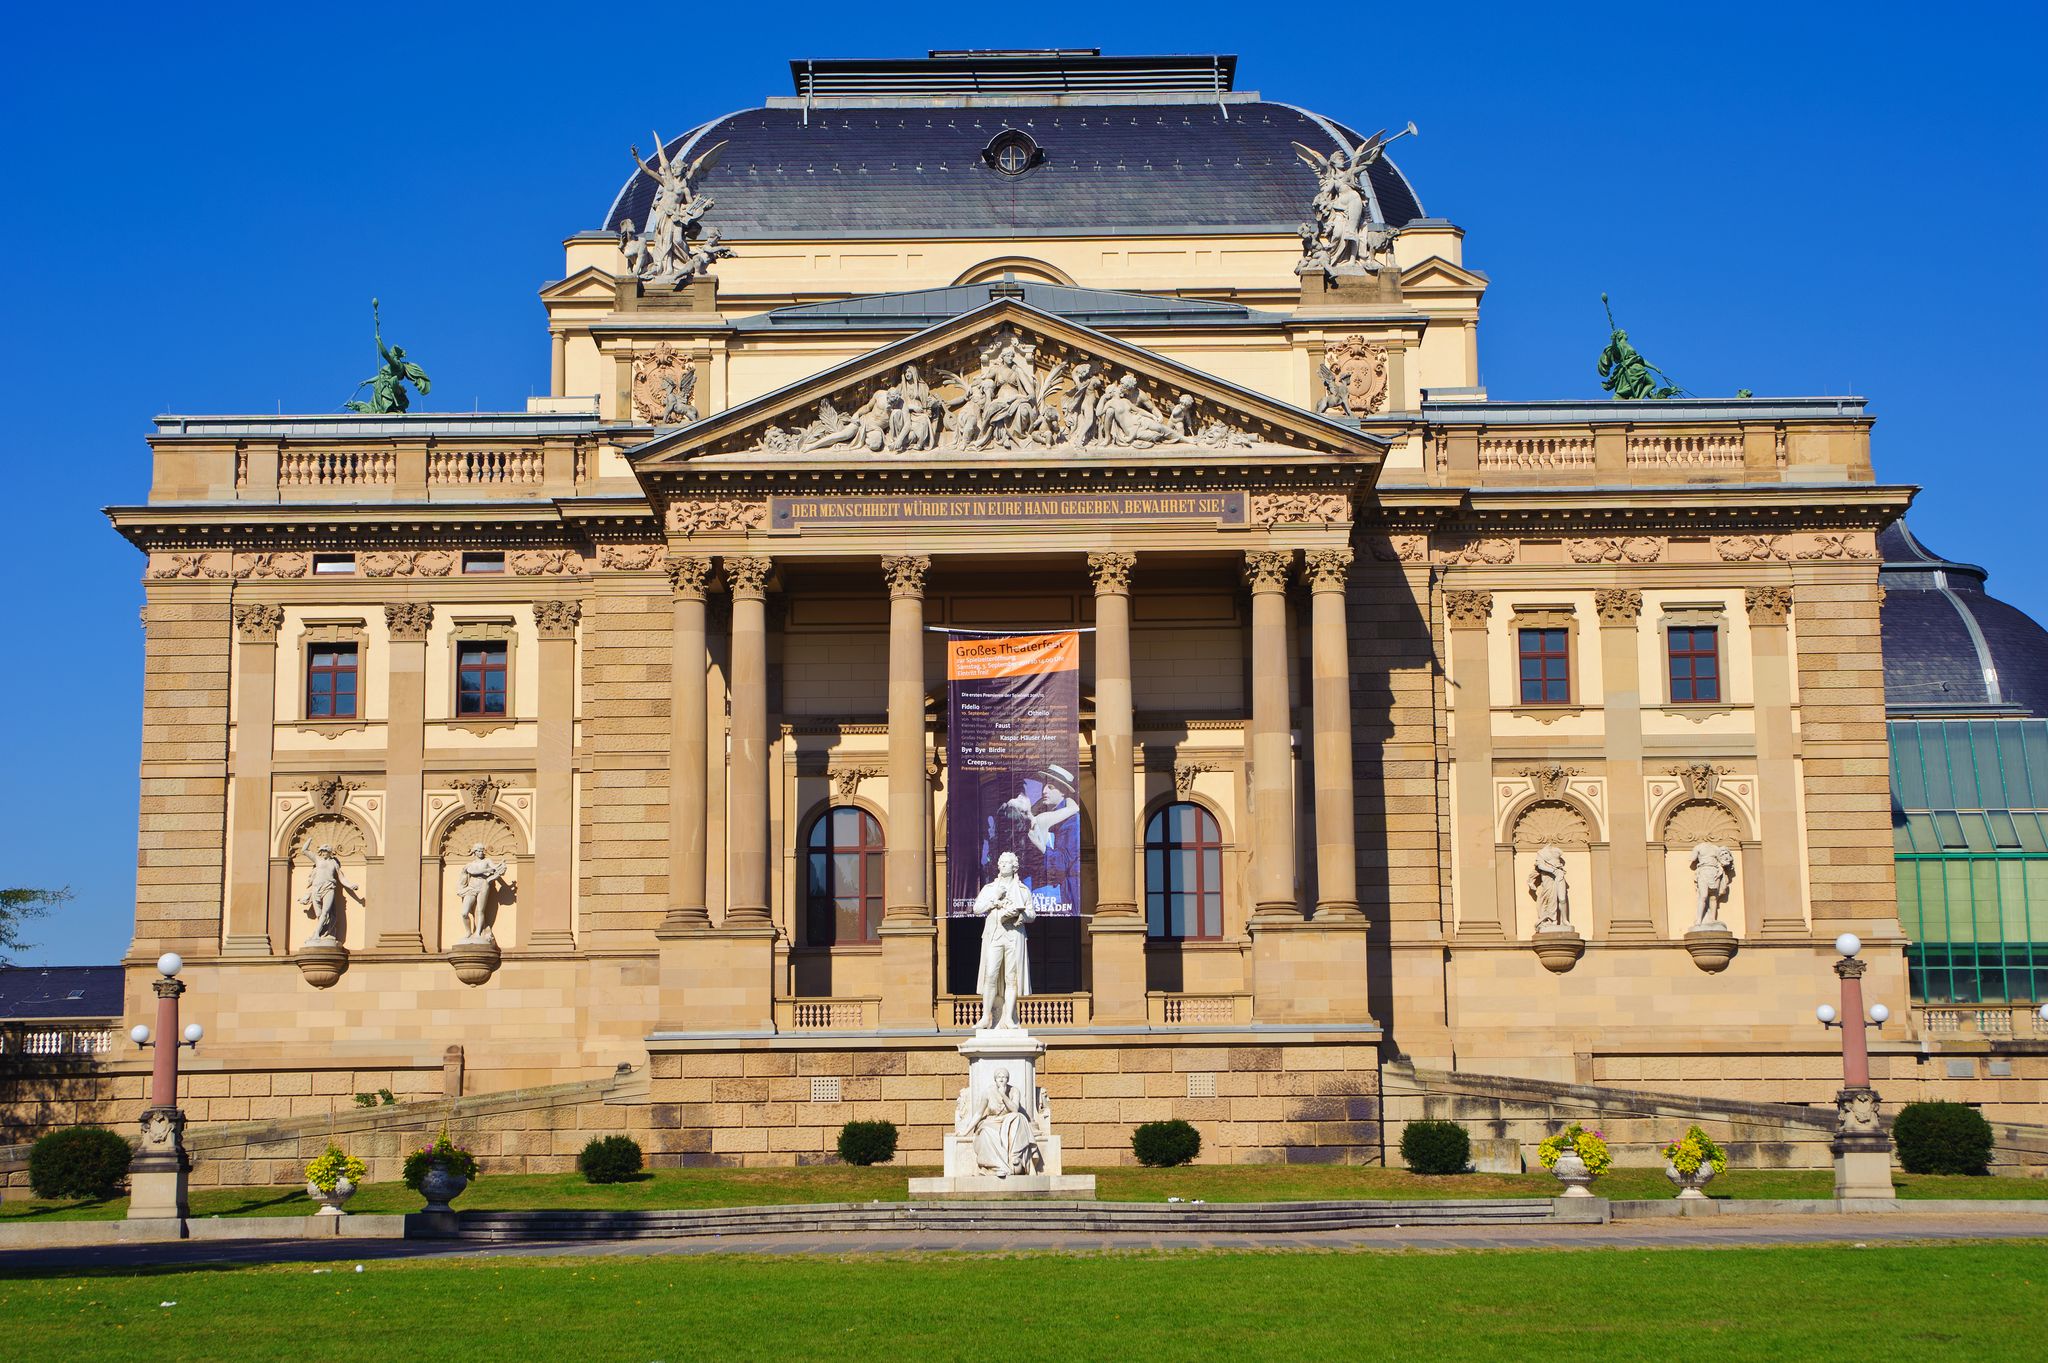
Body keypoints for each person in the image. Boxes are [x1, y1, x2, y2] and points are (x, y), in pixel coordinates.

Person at [972, 851, 1036, 1030]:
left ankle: (1008, 1017)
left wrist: (1020, 915)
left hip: (1014, 936)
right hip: (995, 935)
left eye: (1007, 863)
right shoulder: (990, 888)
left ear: (1014, 866)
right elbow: (977, 909)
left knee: (1011, 978)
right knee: (990, 974)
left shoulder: (1023, 890)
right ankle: (986, 1017)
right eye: (1000, 862)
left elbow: (1032, 914)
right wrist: (994, 900)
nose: (1002, 865)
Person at [299, 843, 357, 942]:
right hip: (316, 889)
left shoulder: (334, 863)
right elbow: (304, 850)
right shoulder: (318, 859)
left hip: (329, 888)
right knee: (319, 914)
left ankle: (316, 933)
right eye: (322, 851)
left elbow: (341, 877)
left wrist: (350, 885)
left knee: (325, 912)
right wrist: (310, 840)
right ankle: (324, 931)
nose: (323, 853)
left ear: (330, 852)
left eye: (325, 851)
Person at [458, 843, 510, 943]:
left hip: (483, 886)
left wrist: (501, 865)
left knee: (480, 910)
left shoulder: (487, 861)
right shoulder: (470, 865)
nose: (481, 852)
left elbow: (495, 868)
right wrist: (486, 870)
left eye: (482, 851)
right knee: (464, 913)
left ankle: (478, 933)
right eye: (479, 850)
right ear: (474, 852)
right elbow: (472, 871)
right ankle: (468, 932)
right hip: (471, 887)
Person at [1529, 844, 1571, 930]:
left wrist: (1557, 871)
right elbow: (1540, 866)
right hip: (1548, 877)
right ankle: (1553, 920)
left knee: (1562, 898)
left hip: (1559, 875)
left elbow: (1560, 862)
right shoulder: (1541, 853)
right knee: (1550, 898)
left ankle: (1565, 920)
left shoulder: (1556, 851)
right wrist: (1553, 870)